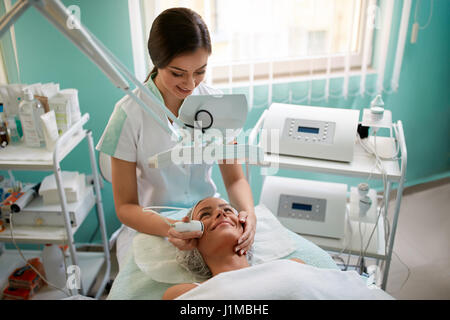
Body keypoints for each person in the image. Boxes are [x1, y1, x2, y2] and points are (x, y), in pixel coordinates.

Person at [96, 8, 256, 257]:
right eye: (178, 73)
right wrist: (172, 228)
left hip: (209, 217)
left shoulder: (219, 105)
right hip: (154, 224)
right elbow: (126, 207)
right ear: (157, 63)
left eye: (200, 71)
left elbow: (235, 179)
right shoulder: (128, 114)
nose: (191, 84)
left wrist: (249, 214)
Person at [163, 197, 394, 300]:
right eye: (206, 215)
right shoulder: (182, 293)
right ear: (194, 239)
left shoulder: (292, 266)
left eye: (228, 210)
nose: (220, 213)